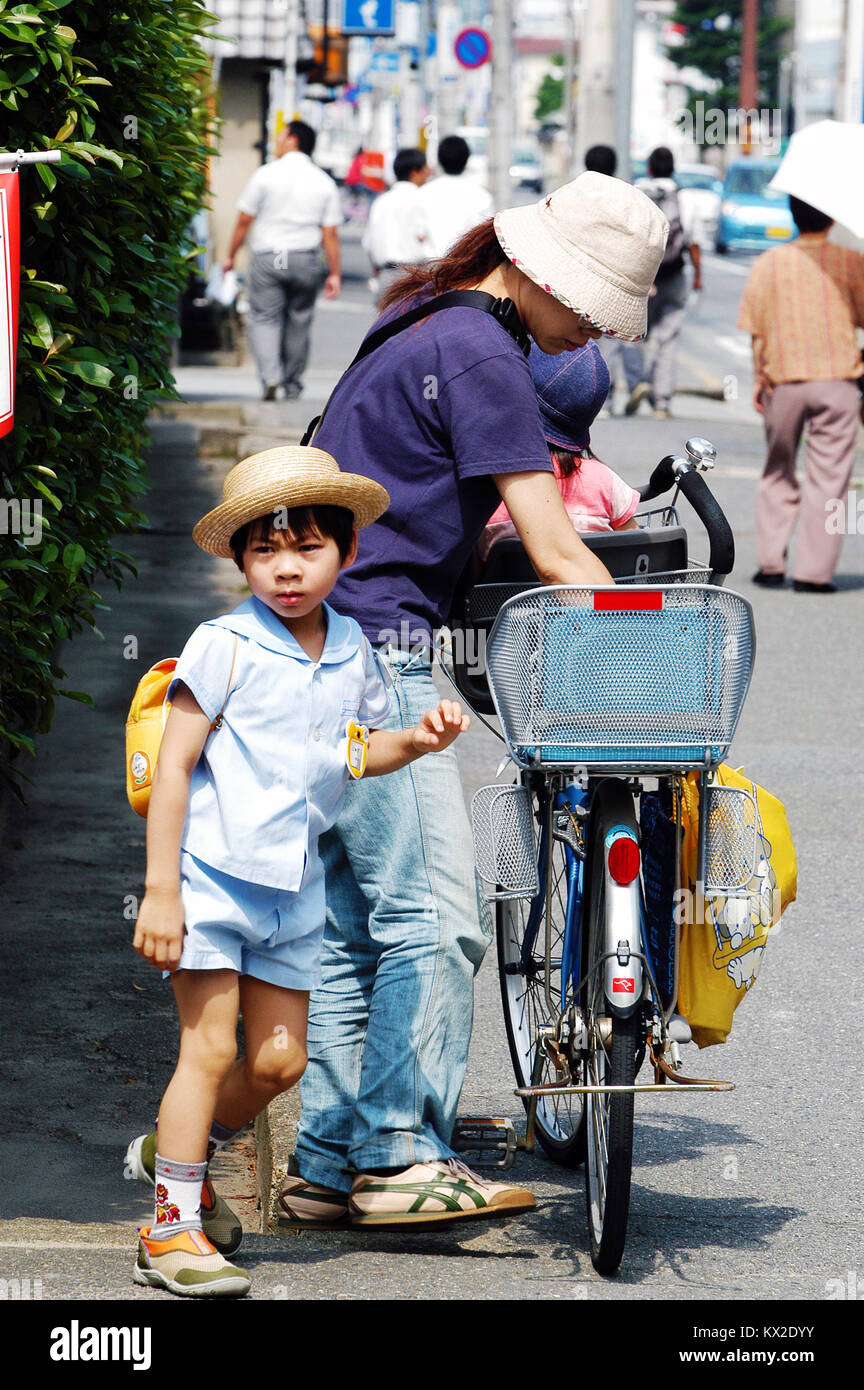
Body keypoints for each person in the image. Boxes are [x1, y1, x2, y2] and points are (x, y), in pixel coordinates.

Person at [274, 172, 668, 1230]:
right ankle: (401, 1157)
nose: (589, 328)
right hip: (373, 650)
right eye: (589, 303)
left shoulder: (424, 317)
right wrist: (654, 639)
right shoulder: (487, 355)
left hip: (314, 645)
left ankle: (325, 1160)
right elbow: (550, 543)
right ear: (543, 272)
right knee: (439, 919)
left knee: (363, 926)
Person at [126, 445, 474, 1297]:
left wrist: (416, 741)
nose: (287, 569)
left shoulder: (354, 648)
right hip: (211, 879)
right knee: (206, 1050)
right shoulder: (222, 644)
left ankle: (177, 1152)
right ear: (242, 558)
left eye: (308, 549)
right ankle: (169, 1229)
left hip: (294, 891)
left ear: (347, 554)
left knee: (279, 1064)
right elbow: (174, 768)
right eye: (266, 551)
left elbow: (359, 752)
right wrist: (162, 891)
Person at [737, 195, 864, 592]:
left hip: (784, 379)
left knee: (778, 468)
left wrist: (760, 378)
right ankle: (814, 573)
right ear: (830, 217)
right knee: (830, 479)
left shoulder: (767, 263)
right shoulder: (851, 262)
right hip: (838, 380)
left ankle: (771, 564)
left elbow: (756, 331)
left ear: (792, 215)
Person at [479, 341, 641, 559]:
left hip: (502, 592)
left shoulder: (494, 486)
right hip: (588, 592)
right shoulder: (605, 481)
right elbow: (633, 544)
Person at [223, 121, 343, 401]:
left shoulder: (265, 175)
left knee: (264, 318)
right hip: (306, 258)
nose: (277, 140)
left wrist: (231, 254)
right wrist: (334, 272)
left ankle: (270, 376)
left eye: (281, 135)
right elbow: (330, 233)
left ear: (292, 140)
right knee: (299, 320)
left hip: (268, 257)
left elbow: (244, 219)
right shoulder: (323, 181)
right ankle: (292, 383)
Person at [624, 146, 704, 420]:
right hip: (674, 275)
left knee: (635, 336)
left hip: (641, 276)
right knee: (668, 339)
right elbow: (694, 242)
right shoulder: (685, 199)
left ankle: (638, 384)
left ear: (649, 168)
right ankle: (662, 403)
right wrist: (698, 277)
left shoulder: (636, 194)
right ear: (673, 169)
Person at [583, 145, 642, 415]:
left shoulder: (578, 193)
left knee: (585, 338)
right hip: (616, 274)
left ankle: (597, 402)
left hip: (583, 274)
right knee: (610, 339)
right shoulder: (627, 198)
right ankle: (615, 396)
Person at [362, 148, 430, 306]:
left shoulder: (381, 202)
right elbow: (425, 238)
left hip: (386, 275)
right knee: (416, 329)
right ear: (415, 172)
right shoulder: (422, 199)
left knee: (387, 328)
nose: (428, 173)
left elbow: (368, 243)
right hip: (415, 276)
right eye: (425, 169)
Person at [417, 134, 494, 260]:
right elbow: (484, 240)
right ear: (466, 159)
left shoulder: (423, 193)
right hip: (465, 269)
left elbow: (418, 236)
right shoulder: (482, 196)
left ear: (439, 159)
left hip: (429, 269)